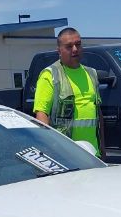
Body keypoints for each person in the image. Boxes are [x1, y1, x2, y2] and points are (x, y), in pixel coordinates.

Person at [33, 27, 105, 157]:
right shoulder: (50, 75)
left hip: (93, 155)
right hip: (66, 157)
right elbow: (41, 117)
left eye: (78, 44)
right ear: (59, 51)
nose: (75, 49)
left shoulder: (92, 74)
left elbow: (98, 114)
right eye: (69, 46)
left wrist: (103, 150)